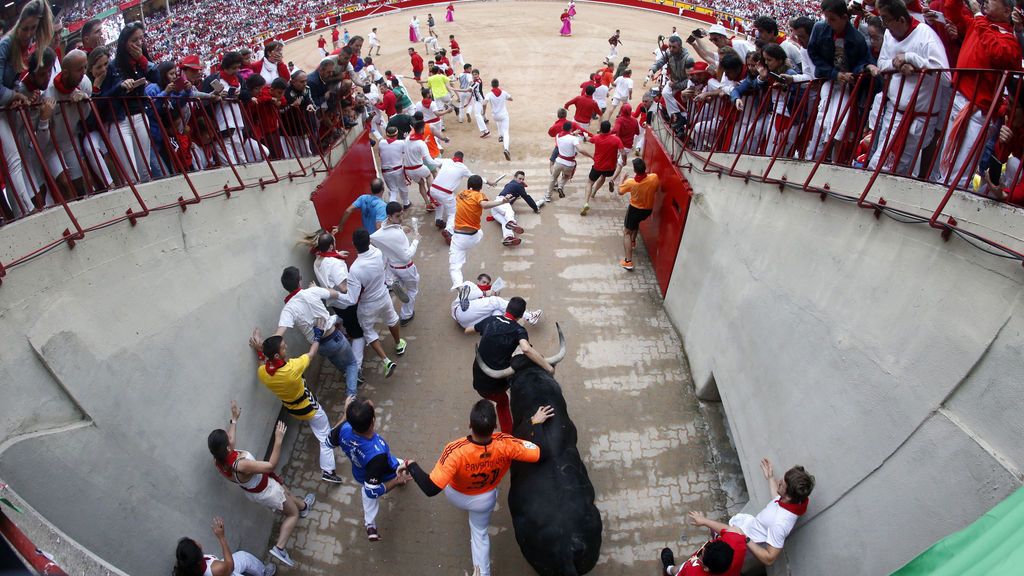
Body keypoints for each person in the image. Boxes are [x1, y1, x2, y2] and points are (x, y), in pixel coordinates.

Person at [405, 400, 555, 576]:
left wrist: (411, 465)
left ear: (470, 424)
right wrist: (534, 424)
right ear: (495, 426)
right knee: (480, 534)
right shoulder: (505, 444)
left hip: (457, 496)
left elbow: (431, 488)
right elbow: (541, 453)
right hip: (484, 500)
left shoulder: (455, 450)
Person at [207, 403, 314, 568]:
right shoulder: (240, 465)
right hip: (267, 490)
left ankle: (304, 506)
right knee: (292, 514)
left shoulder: (219, 461)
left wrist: (234, 420)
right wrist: (278, 439)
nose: (230, 437)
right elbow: (270, 465)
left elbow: (232, 440)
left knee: (287, 494)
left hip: (260, 487)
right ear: (227, 447)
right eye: (228, 438)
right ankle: (280, 547)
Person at [247, 315, 343, 482]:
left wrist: (259, 349)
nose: (287, 347)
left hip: (292, 409)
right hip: (309, 407)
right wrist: (318, 334)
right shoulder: (292, 369)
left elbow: (263, 363)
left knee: (318, 427)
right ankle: (328, 470)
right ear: (277, 356)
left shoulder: (263, 373)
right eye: (283, 348)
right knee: (324, 434)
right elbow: (312, 353)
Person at [938, 0, 1021, 188]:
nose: (986, 2)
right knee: (946, 162)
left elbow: (997, 53)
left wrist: (978, 16)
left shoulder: (1009, 41)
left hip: (979, 111)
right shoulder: (979, 23)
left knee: (961, 170)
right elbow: (951, 10)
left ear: (1007, 10)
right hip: (959, 99)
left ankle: (952, 209)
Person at [864, 0, 949, 177]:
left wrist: (912, 59)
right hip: (893, 112)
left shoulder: (926, 36)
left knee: (887, 168)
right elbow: (882, 63)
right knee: (882, 164)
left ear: (901, 20)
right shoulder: (889, 34)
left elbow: (946, 76)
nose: (884, 25)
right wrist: (899, 65)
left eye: (886, 19)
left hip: (917, 119)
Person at [690, 459, 815, 567]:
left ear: (788, 496)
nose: (780, 481)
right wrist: (770, 478)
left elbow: (769, 558)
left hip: (740, 541)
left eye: (782, 484)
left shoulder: (779, 524)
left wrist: (746, 538)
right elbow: (777, 499)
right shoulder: (794, 503)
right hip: (744, 530)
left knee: (707, 557)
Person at [327, 397, 411, 542]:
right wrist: (396, 481)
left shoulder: (344, 428)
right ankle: (402, 478)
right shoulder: (378, 452)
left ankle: (370, 525)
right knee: (403, 466)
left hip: (360, 473)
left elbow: (328, 441)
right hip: (384, 471)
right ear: (373, 421)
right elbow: (373, 492)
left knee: (368, 498)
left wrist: (345, 416)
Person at [270, 266, 360, 398]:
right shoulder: (312, 292)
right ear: (300, 281)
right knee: (352, 363)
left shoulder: (288, 309)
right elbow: (336, 294)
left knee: (334, 357)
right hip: (334, 337)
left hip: (319, 347)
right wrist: (317, 289)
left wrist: (263, 347)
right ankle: (351, 396)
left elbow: (279, 333)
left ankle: (349, 376)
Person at [469, 296, 553, 433]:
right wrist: (548, 367)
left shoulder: (490, 320)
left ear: (506, 309)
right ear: (521, 316)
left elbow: (469, 329)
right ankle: (508, 434)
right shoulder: (518, 330)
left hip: (478, 376)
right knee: (503, 402)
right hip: (493, 385)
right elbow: (526, 348)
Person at [336, 228, 407, 378]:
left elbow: (352, 299)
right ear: (369, 241)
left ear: (354, 245)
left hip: (368, 305)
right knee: (392, 319)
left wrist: (333, 293)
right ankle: (399, 344)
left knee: (368, 331)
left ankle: (386, 361)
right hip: (383, 295)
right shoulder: (378, 253)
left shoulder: (355, 269)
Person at [450, 175, 513, 288]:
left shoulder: (460, 194)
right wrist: (502, 202)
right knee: (480, 233)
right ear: (480, 188)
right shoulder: (479, 195)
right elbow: (484, 205)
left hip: (458, 238)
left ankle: (459, 286)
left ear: (468, 185)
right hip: (474, 236)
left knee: (455, 267)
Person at [370, 202, 420, 326]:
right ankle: (406, 315)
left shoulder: (380, 232)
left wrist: (401, 228)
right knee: (413, 290)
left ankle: (397, 283)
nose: (401, 218)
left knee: (402, 281)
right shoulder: (396, 234)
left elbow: (373, 238)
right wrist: (415, 241)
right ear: (389, 216)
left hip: (392, 268)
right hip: (406, 267)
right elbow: (406, 256)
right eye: (398, 216)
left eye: (402, 215)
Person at [172, 517, 277, 576]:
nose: (196, 541)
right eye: (194, 543)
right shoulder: (216, 569)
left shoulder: (187, 565)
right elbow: (229, 566)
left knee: (243, 557)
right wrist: (221, 537)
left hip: (224, 570)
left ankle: (263, 572)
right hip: (227, 570)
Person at [451, 273, 542, 329]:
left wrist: (490, 295)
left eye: (487, 283)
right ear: (478, 281)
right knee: (495, 301)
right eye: (483, 282)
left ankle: (500, 332)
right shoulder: (469, 284)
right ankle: (529, 316)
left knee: (497, 312)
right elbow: (465, 294)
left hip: (467, 324)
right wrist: (485, 293)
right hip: (460, 311)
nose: (486, 284)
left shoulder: (484, 300)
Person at [659, 520, 746, 576]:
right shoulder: (737, 543)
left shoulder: (692, 571)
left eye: (701, 555)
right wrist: (704, 521)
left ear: (706, 568)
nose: (702, 550)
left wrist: (705, 521)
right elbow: (734, 530)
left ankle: (668, 569)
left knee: (679, 569)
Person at [617, 158, 659, 270]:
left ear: (635, 170)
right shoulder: (654, 177)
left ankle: (628, 261)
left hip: (635, 210)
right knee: (635, 224)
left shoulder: (631, 182)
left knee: (626, 232)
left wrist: (622, 179)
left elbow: (620, 192)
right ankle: (633, 242)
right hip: (647, 210)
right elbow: (656, 187)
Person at [580, 120, 624, 216]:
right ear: (609, 129)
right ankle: (594, 192)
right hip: (610, 168)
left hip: (598, 166)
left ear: (601, 129)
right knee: (603, 177)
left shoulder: (596, 138)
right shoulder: (616, 139)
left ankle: (586, 202)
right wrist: (623, 161)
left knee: (589, 183)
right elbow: (623, 152)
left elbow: (587, 139)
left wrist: (584, 137)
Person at [492, 170, 540, 246]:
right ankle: (512, 222)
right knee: (510, 213)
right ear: (515, 177)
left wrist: (517, 195)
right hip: (502, 202)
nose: (521, 181)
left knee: (505, 222)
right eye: (520, 178)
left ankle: (508, 237)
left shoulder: (510, 184)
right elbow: (527, 197)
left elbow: (509, 189)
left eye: (522, 179)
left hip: (494, 208)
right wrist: (535, 208)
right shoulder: (519, 186)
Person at [549, 121, 593, 202]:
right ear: (571, 129)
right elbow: (581, 150)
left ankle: (548, 196)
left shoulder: (558, 135)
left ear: (562, 128)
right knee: (566, 176)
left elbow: (565, 137)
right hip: (569, 164)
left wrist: (572, 133)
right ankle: (560, 186)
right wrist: (591, 156)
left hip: (558, 162)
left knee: (553, 178)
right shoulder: (574, 139)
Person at [484, 78, 513, 161]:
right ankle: (506, 149)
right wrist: (505, 98)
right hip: (503, 115)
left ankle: (500, 136)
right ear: (498, 84)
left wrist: (483, 112)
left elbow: (484, 103)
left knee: (498, 121)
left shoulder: (489, 94)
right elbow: (511, 99)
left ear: (491, 85)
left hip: (495, 115)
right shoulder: (503, 93)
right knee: (506, 132)